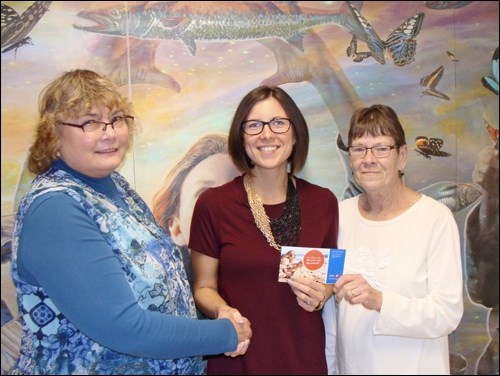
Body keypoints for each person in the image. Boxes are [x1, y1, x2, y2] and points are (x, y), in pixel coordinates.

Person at [10, 69, 252, 375]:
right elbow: (122, 326)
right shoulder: (56, 208)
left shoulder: (115, 186)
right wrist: (225, 334)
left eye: (117, 119)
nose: (109, 133)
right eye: (89, 122)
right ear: (53, 134)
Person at [189, 85, 339, 374]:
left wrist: (323, 293)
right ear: (241, 136)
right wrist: (224, 313)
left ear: (295, 134)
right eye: (254, 125)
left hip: (302, 360)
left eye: (279, 123)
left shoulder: (323, 202)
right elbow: (204, 288)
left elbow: (328, 278)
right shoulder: (214, 204)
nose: (267, 134)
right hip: (237, 359)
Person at [325, 104, 463, 374]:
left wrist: (379, 301)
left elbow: (446, 314)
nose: (369, 158)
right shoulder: (339, 216)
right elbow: (332, 313)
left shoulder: (435, 218)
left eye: (381, 148)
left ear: (402, 156)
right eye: (359, 148)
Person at [152, 133, 240, 292]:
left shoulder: (287, 259)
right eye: (205, 195)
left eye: (238, 189)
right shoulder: (168, 305)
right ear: (177, 229)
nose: (226, 205)